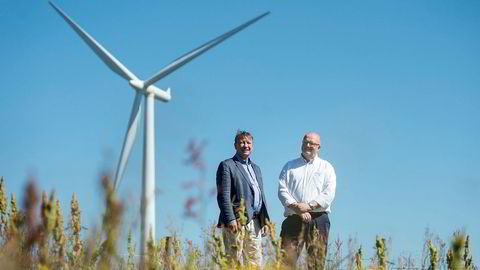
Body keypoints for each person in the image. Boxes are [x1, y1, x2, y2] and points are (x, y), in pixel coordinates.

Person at [278, 132, 336, 269]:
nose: (308, 145)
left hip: (318, 219)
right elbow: (282, 190)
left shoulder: (326, 167)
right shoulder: (289, 166)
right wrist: (297, 208)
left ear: (319, 147)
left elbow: (329, 193)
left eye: (312, 143)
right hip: (293, 219)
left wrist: (308, 206)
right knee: (286, 262)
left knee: (316, 263)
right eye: (306, 142)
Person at [216, 130, 270, 267]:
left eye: (248, 142)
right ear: (235, 145)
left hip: (255, 222)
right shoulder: (227, 165)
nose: (245, 145)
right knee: (232, 262)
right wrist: (231, 219)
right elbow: (223, 196)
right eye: (241, 142)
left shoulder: (256, 168)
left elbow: (260, 196)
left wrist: (265, 220)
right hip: (236, 222)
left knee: (254, 263)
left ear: (252, 145)